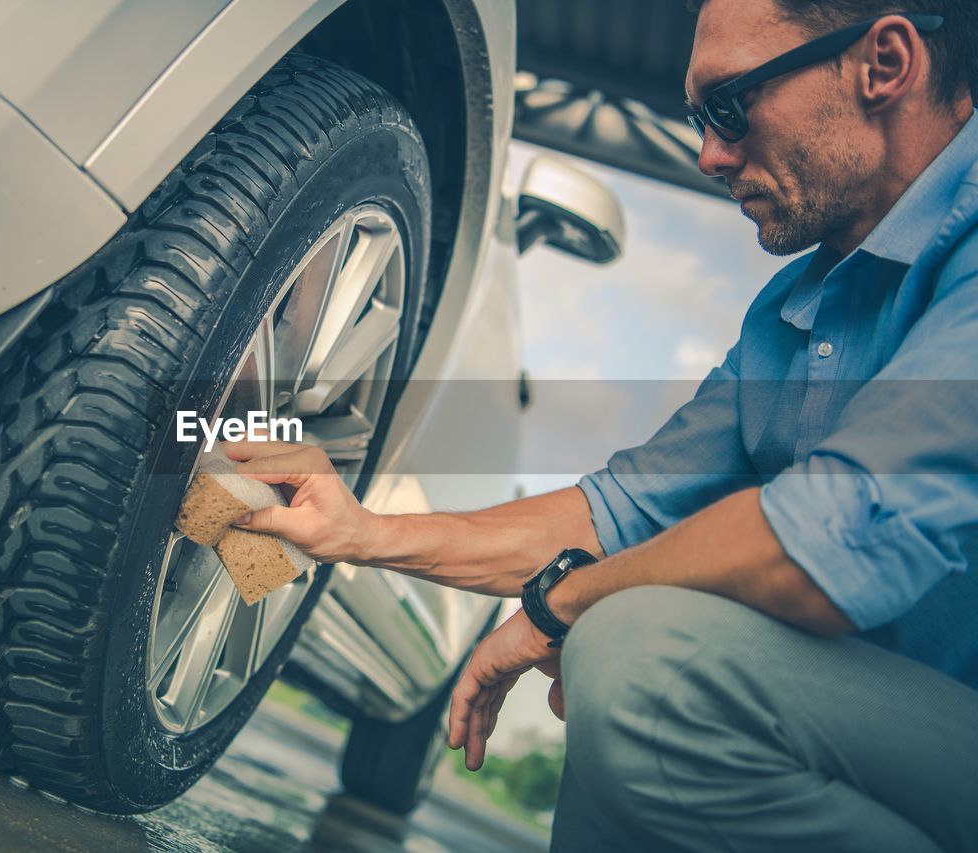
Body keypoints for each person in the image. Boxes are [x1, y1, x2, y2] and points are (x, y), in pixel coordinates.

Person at [227, 0, 978, 849]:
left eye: (730, 106)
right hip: (873, 737)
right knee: (613, 663)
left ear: (884, 64)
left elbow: (832, 539)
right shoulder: (793, 312)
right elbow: (614, 514)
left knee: (640, 655)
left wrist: (560, 603)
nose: (709, 154)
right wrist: (359, 529)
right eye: (700, 121)